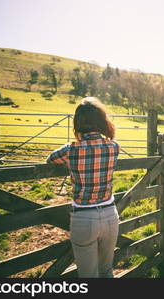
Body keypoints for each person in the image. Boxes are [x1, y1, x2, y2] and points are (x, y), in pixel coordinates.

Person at [47, 97, 120, 278]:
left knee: (88, 277)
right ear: (102, 121)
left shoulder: (70, 150)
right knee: (106, 271)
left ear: (78, 123)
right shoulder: (113, 147)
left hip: (84, 217)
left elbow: (50, 160)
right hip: (110, 215)